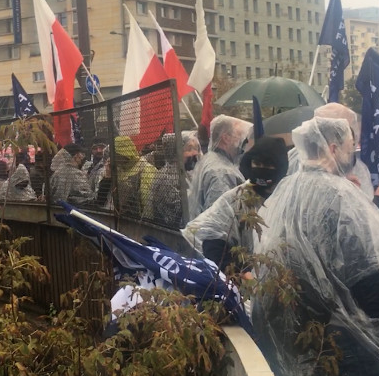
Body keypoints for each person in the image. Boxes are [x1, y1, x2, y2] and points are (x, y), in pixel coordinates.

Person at [251, 117, 379, 376]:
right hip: (346, 337)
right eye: (348, 147)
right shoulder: (340, 195)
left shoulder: (285, 190)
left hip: (299, 332)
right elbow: (364, 275)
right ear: (332, 148)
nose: (351, 154)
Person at [182, 136, 288, 273]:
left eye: (267, 165)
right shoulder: (237, 198)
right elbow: (212, 239)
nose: (261, 169)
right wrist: (241, 273)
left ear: (279, 167)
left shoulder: (287, 197)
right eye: (257, 164)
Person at [287, 103, 379, 210]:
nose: (352, 137)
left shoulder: (302, 164)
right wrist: (378, 202)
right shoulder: (317, 182)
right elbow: (352, 222)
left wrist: (348, 190)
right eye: (346, 130)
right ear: (333, 147)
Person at [187, 115, 252, 220]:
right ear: (226, 138)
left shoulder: (210, 159)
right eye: (240, 135)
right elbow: (220, 219)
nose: (245, 141)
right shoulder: (222, 172)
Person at [112, 135, 158, 220]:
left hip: (138, 221)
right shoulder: (119, 170)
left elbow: (147, 200)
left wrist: (146, 223)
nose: (115, 158)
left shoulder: (145, 168)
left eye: (117, 155)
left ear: (125, 153)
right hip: (122, 219)